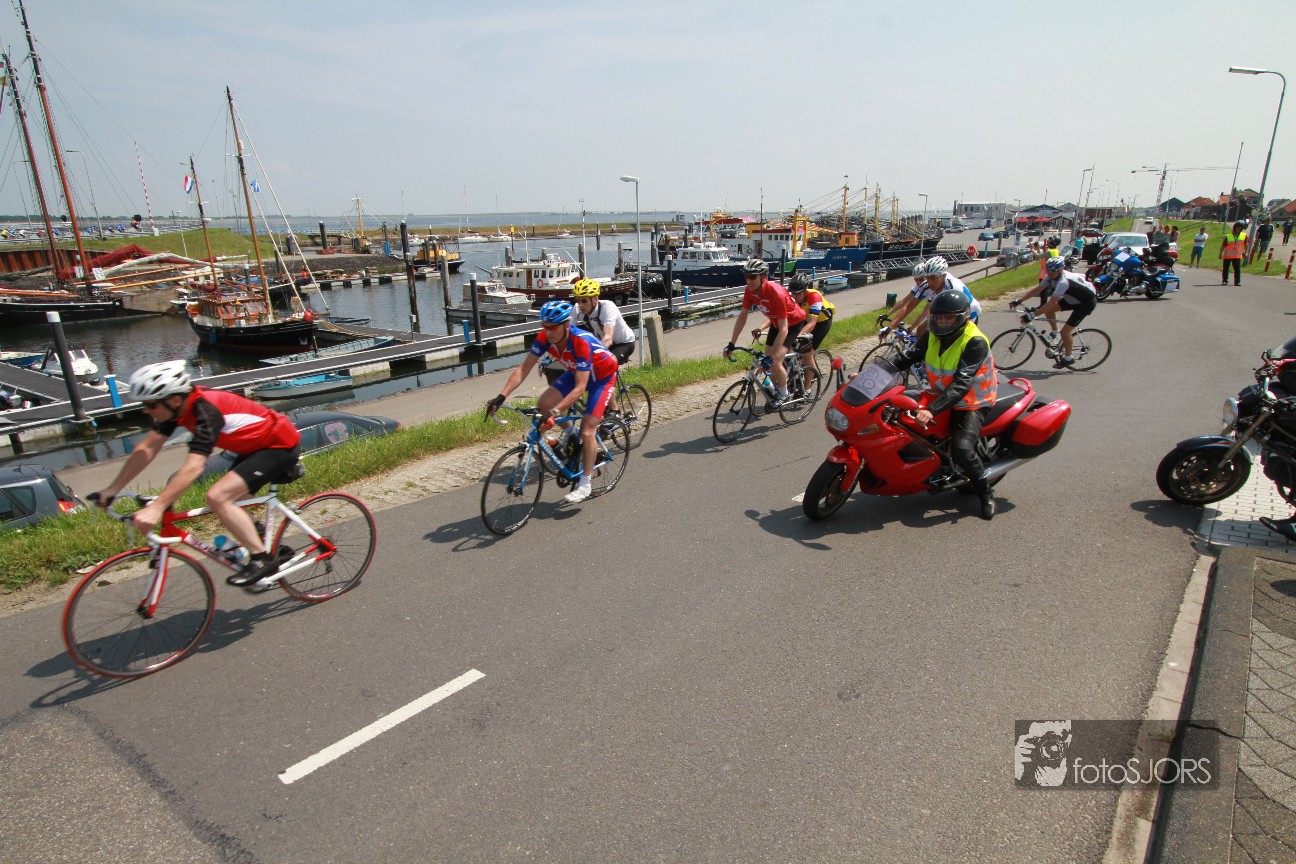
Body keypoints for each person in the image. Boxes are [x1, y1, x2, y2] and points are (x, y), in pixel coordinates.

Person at [90, 361, 302, 590]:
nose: (145, 410)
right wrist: (112, 489)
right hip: (252, 447)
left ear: (174, 399)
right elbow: (147, 449)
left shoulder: (206, 411)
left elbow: (194, 467)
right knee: (232, 500)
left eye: (151, 405)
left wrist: (157, 507)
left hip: (278, 445)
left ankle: (262, 559)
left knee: (218, 497)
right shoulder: (177, 409)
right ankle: (271, 548)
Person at [486, 300, 620, 504]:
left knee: (587, 430)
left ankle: (585, 483)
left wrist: (555, 412)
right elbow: (524, 368)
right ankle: (570, 433)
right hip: (577, 372)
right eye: (545, 326)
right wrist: (501, 396)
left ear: (566, 325)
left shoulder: (581, 341)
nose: (548, 332)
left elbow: (580, 388)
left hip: (602, 378)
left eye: (553, 327)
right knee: (544, 403)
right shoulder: (544, 337)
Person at [891, 290, 1000, 520]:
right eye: (939, 317)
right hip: (939, 393)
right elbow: (905, 359)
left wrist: (931, 410)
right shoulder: (932, 334)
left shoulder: (974, 341)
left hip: (971, 401)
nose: (942, 322)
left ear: (963, 318)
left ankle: (986, 494)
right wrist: (869, 375)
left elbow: (962, 384)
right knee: (898, 420)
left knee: (962, 450)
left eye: (948, 317)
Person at [724, 259, 807, 407]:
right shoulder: (750, 291)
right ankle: (778, 384)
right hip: (776, 322)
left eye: (752, 277)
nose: (749, 281)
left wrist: (773, 356)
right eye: (747, 276)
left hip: (792, 324)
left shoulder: (776, 293)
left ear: (763, 277)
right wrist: (731, 344)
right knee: (766, 360)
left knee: (775, 360)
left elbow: (784, 329)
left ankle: (784, 394)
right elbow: (742, 317)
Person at [1009, 256, 1098, 369]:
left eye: (1052, 270)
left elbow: (1051, 303)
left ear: (1060, 269)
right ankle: (1055, 332)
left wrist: (1032, 315)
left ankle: (1068, 358)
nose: (1049, 273)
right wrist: (1019, 300)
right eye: (1047, 270)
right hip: (1073, 298)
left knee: (1065, 332)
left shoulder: (1063, 282)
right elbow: (1037, 290)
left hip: (1086, 303)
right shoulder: (1050, 277)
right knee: (1049, 311)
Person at [571, 278, 635, 365]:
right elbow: (569, 333)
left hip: (624, 343)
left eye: (584, 301)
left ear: (595, 299)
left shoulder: (608, 307)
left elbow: (608, 338)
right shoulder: (577, 308)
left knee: (604, 363)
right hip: (601, 342)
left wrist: (591, 356)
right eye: (577, 300)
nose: (581, 305)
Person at [1221, 220, 1247, 286]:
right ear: (1234, 227)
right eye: (1237, 227)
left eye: (1240, 227)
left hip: (1237, 255)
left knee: (1237, 269)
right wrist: (1220, 253)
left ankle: (1237, 282)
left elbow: (1246, 244)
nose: (1238, 228)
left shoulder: (1244, 235)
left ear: (1241, 228)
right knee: (1225, 269)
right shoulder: (1228, 236)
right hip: (1228, 255)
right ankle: (1224, 281)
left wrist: (1246, 252)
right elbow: (1223, 246)